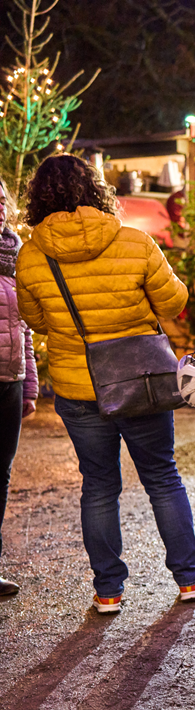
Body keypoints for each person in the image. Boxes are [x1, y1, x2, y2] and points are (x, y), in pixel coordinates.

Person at [15, 155, 195, 614]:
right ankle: (188, 578)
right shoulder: (133, 242)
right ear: (95, 190)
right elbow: (174, 303)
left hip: (80, 389)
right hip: (141, 380)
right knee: (162, 477)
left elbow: (35, 321)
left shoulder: (31, 254)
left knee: (98, 486)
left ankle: (108, 591)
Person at [0, 177, 37, 598]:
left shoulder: (14, 253)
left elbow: (22, 324)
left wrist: (29, 384)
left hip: (10, 381)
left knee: (1, 474)